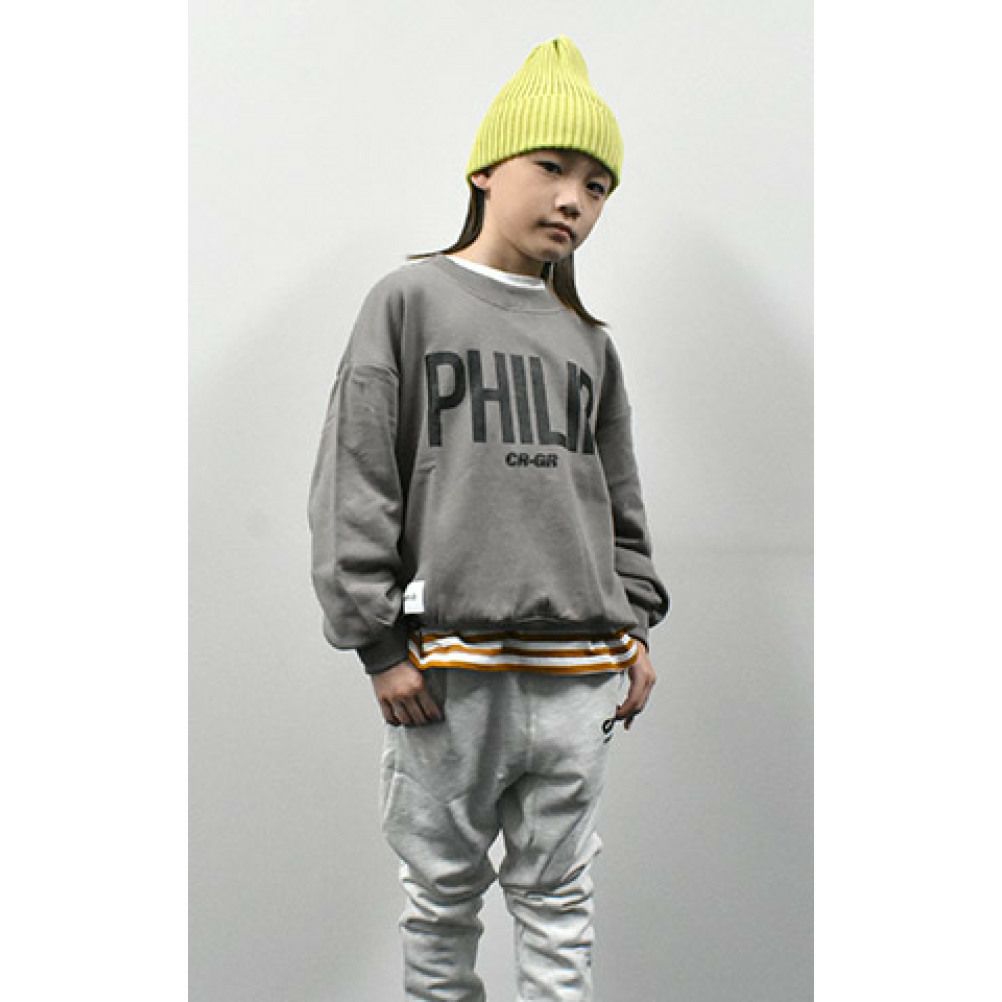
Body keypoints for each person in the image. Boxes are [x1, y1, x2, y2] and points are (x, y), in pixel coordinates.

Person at [308, 34, 670, 1001]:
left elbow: (618, 498)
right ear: (484, 169)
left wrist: (635, 625)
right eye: (551, 167)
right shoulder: (409, 301)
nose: (573, 200)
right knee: (441, 901)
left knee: (561, 905)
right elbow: (356, 474)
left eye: (597, 186)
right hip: (449, 676)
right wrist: (378, 644)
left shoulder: (588, 342)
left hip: (578, 675)